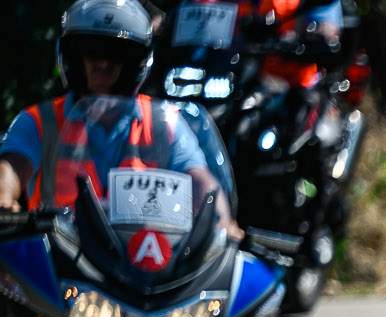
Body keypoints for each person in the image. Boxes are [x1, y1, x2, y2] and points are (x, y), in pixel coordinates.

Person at [0, 0, 239, 241]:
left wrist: (223, 222)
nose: (103, 63)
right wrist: (3, 198)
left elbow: (201, 182)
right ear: (73, 56)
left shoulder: (165, 122)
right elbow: (9, 169)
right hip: (56, 255)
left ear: (137, 61)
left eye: (117, 53)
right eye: (92, 51)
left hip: (147, 256)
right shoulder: (41, 120)